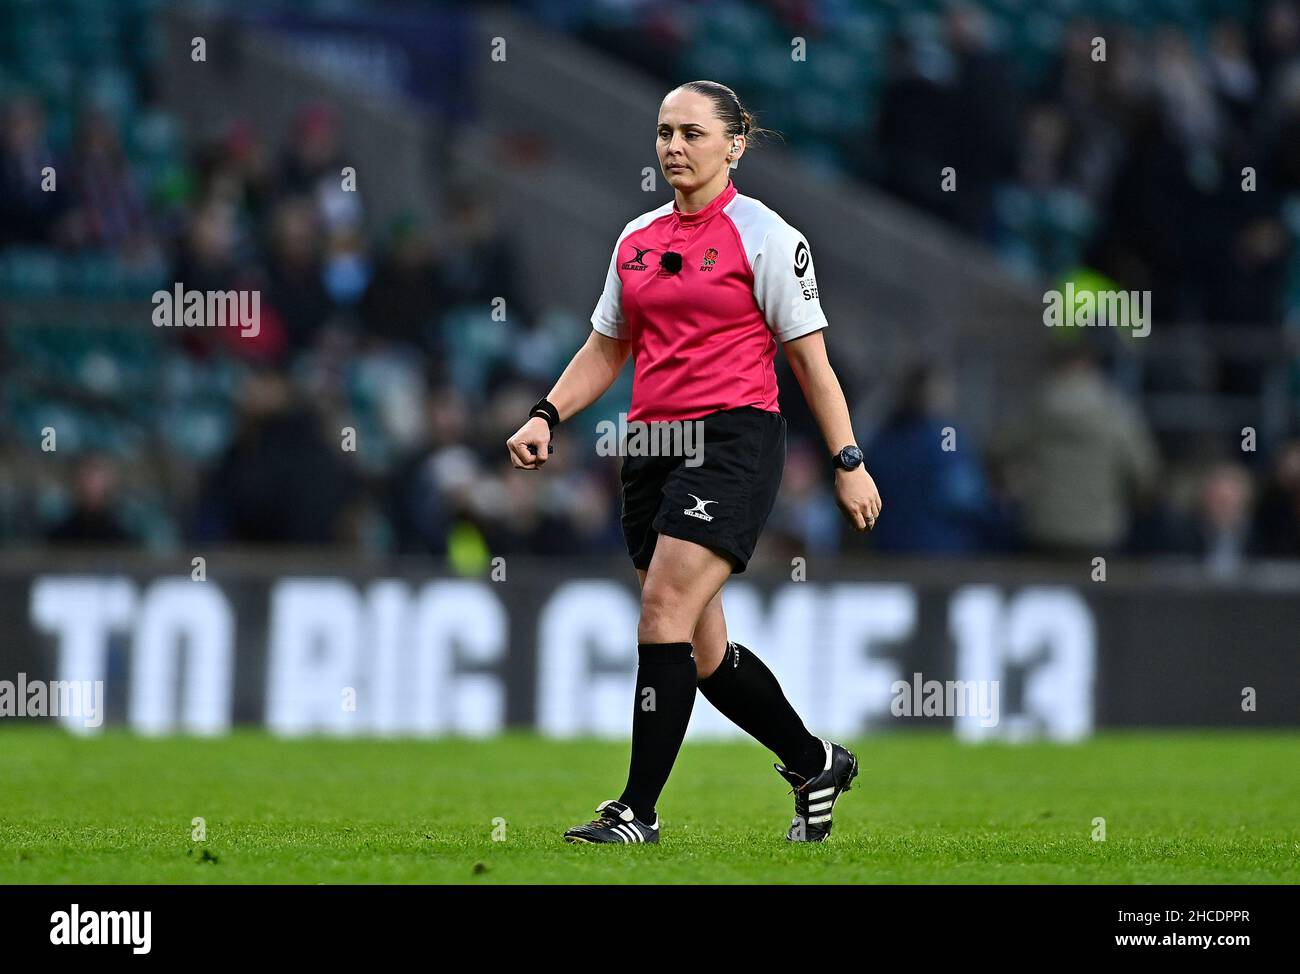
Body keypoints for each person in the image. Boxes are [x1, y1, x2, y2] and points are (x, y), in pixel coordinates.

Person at [506, 80, 882, 844]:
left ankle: (635, 811)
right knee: (703, 652)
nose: (674, 147)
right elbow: (608, 346)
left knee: (661, 613)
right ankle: (814, 763)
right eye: (664, 133)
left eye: (692, 134)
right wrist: (547, 413)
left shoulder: (767, 235)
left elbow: (811, 363)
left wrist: (847, 460)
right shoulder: (636, 238)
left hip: (733, 441)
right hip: (650, 446)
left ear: (735, 144)